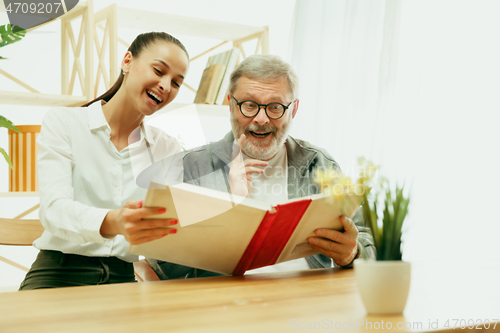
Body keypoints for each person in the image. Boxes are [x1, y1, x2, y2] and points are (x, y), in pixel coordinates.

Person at [147, 54, 376, 280]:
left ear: (293, 110)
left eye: (275, 107)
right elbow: (163, 265)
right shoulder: (194, 166)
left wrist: (353, 253)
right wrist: (228, 208)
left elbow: (370, 243)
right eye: (249, 105)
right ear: (231, 105)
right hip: (224, 305)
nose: (261, 119)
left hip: (307, 302)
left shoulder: (320, 164)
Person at [19, 32, 190, 290]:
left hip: (122, 279)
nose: (166, 86)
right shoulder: (64, 123)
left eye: (176, 83)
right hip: (57, 274)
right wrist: (114, 221)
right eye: (158, 70)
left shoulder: (167, 147)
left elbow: (176, 225)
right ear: (127, 61)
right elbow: (53, 210)